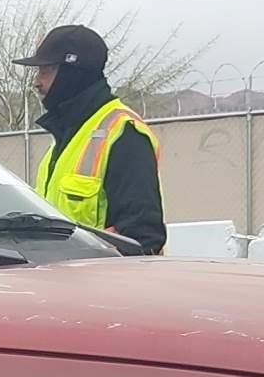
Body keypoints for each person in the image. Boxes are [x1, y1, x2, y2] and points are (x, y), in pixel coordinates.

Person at [16, 25, 166, 256]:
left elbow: (142, 236)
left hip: (104, 287)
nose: (37, 82)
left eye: (45, 71)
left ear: (71, 74)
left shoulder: (124, 133)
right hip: (60, 283)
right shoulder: (69, 135)